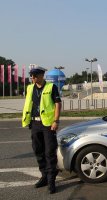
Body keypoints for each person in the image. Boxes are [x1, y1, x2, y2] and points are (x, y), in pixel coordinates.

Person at [22, 66, 62, 194]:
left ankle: (51, 181)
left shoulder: (51, 87)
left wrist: (56, 120)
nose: (32, 78)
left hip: (47, 124)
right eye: (31, 76)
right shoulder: (29, 88)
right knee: (38, 151)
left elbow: (57, 103)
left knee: (49, 152)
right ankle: (44, 176)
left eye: (34, 76)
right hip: (34, 123)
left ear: (41, 75)